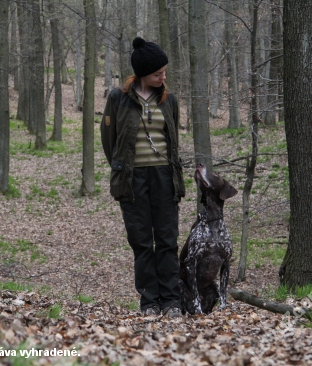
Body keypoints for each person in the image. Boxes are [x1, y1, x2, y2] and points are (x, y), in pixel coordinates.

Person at [100, 37, 185, 317]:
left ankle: (172, 301)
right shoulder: (117, 98)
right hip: (133, 180)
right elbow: (108, 140)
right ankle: (149, 302)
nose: (163, 77)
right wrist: (122, 169)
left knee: (167, 240)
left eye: (164, 72)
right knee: (141, 242)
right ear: (141, 74)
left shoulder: (168, 99)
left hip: (164, 177)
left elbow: (172, 139)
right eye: (157, 74)